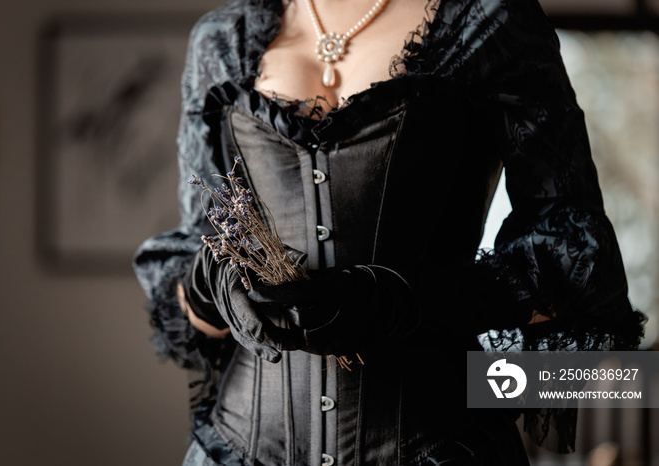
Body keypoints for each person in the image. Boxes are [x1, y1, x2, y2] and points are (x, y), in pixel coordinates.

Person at [133, 0, 646, 464]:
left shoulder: (489, 19)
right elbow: (195, 260)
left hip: (438, 445)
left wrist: (399, 304)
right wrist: (213, 288)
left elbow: (573, 249)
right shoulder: (226, 38)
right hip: (239, 445)